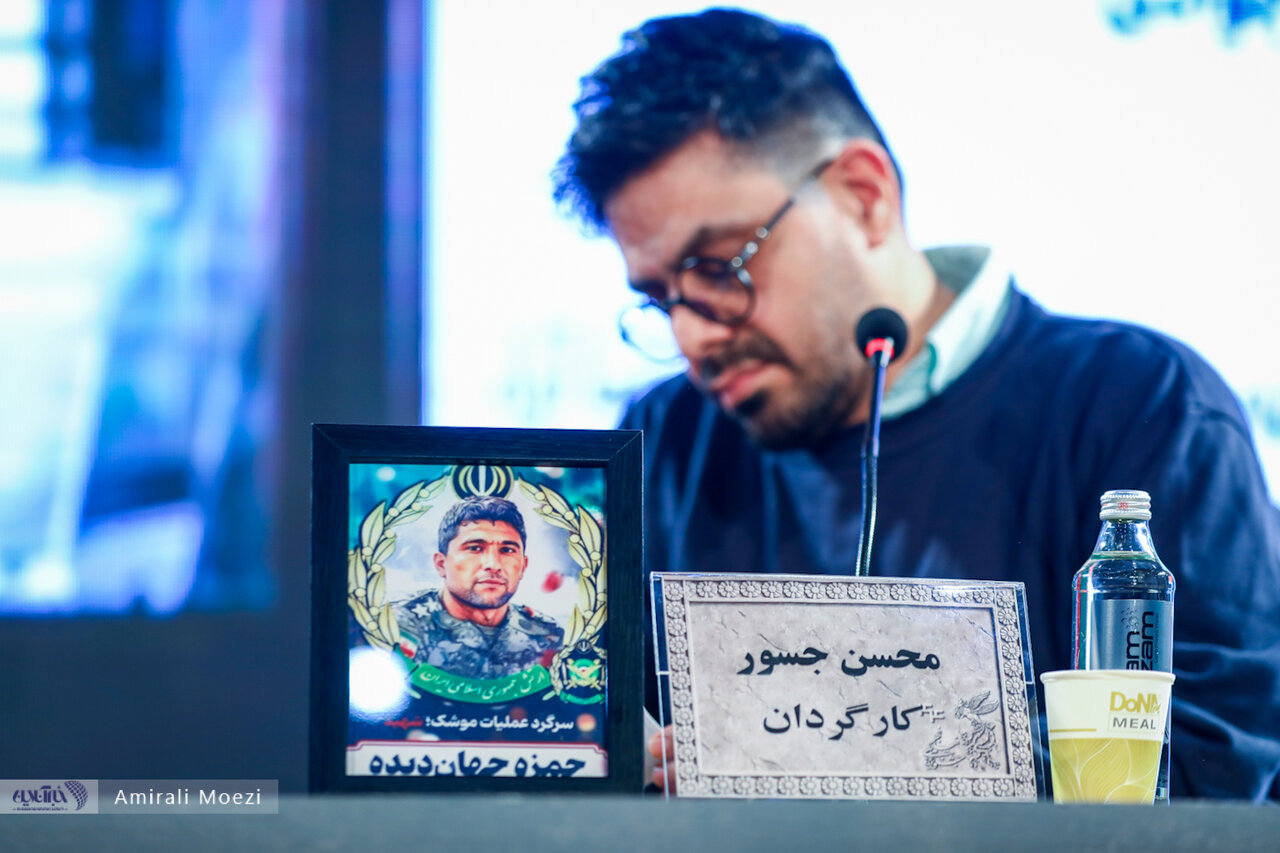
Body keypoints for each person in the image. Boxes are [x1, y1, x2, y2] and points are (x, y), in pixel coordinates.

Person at [553, 8, 1280, 799]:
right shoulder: (663, 438)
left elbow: (1216, 761)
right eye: (659, 298)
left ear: (865, 197)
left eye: (721, 269)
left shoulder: (1142, 405)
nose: (693, 337)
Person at [395, 496, 563, 680]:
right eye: (475, 548)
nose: (493, 564)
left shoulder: (548, 636)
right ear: (441, 564)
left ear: (523, 566)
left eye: (507, 550)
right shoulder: (396, 627)